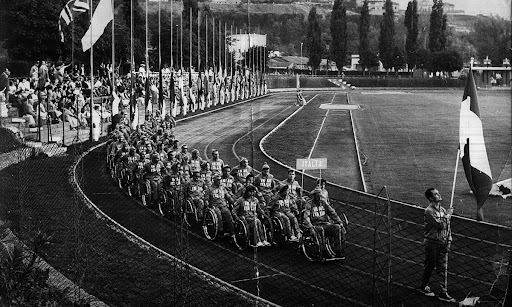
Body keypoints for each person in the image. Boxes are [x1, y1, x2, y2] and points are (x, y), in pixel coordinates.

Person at [418, 188, 456, 303]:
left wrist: (449, 241)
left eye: (438, 193)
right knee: (429, 266)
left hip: (443, 242)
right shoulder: (429, 211)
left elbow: (448, 228)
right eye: (436, 194)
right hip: (432, 243)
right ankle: (423, 286)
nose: (439, 194)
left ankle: (443, 292)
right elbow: (440, 225)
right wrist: (448, 215)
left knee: (442, 268)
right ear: (430, 198)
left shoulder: (443, 210)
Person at [303, 188, 346, 259]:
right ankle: (323, 251)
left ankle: (338, 250)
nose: (320, 198)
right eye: (318, 196)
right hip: (315, 225)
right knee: (321, 230)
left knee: (337, 227)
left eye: (321, 196)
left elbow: (332, 213)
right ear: (314, 196)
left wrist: (339, 222)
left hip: (325, 223)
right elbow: (306, 217)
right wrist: (310, 227)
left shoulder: (324, 203)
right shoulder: (309, 205)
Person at [206, 173, 235, 240]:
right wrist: (207, 203)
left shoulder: (223, 188)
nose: (219, 181)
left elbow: (227, 196)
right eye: (217, 180)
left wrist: (232, 201)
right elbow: (206, 198)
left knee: (228, 214)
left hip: (223, 205)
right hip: (214, 206)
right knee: (218, 215)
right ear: (214, 180)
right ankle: (220, 231)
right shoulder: (210, 189)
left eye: (220, 180)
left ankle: (232, 232)